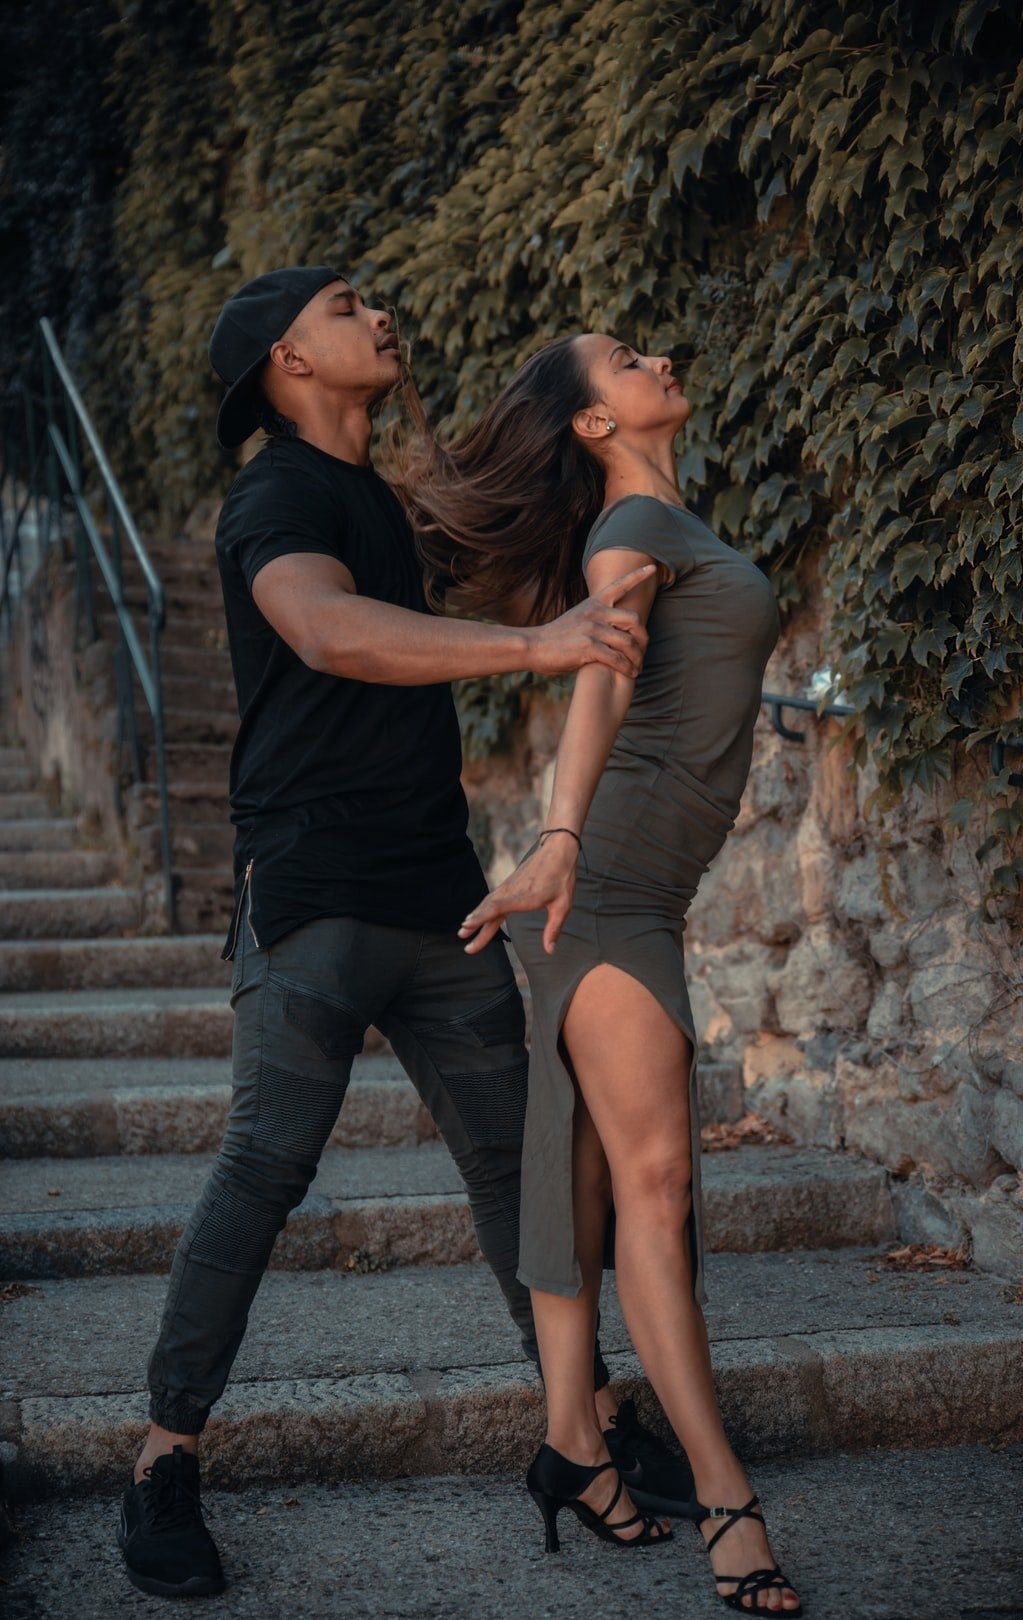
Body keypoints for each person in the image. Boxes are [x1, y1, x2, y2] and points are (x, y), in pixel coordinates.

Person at [115, 267, 694, 1600]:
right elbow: (327, 631)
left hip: (440, 896)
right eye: (344, 306)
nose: (378, 316)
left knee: (526, 1174)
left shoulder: (386, 498)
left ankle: (587, 1427)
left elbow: (517, 532)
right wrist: (536, 650)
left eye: (374, 300)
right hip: (312, 896)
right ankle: (161, 1463)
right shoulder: (276, 496)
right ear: (283, 360)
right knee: (262, 1167)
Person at [397, 333, 803, 1614]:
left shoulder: (663, 514)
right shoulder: (629, 526)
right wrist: (561, 839)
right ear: (589, 422)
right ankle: (726, 1495)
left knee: (586, 1178)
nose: (664, 354)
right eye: (628, 358)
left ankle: (574, 1448)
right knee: (658, 1182)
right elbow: (598, 683)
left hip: (636, 891)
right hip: (608, 888)